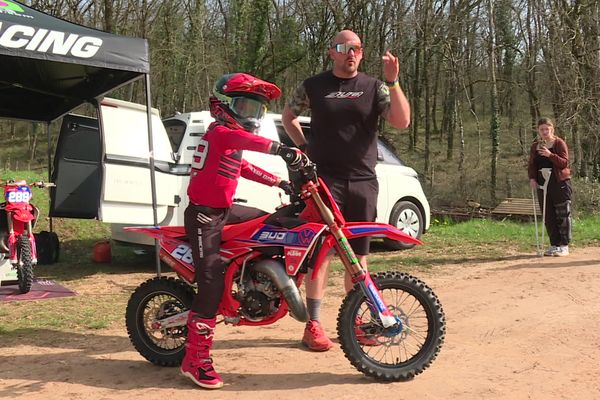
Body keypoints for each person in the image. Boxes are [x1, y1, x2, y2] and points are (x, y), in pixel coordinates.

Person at [281, 29, 411, 351]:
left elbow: (401, 121)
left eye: (355, 48)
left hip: (363, 182)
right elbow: (288, 116)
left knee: (359, 257)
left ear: (361, 53)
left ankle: (354, 321)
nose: (350, 53)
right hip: (325, 181)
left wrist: (393, 81)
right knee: (321, 254)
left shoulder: (373, 87)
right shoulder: (314, 86)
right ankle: (313, 324)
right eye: (343, 47)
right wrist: (305, 148)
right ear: (332, 52)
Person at [181, 72, 303, 389]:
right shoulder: (220, 132)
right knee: (210, 281)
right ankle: (196, 360)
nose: (251, 117)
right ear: (223, 106)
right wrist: (283, 149)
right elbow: (250, 143)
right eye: (246, 108)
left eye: (257, 111)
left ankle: (253, 283)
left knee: (270, 226)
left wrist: (280, 182)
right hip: (204, 217)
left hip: (224, 210)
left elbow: (243, 166)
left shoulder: (227, 139)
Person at [528, 117, 572, 257]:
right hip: (543, 184)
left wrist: (550, 154)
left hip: (559, 183)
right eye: (542, 129)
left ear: (552, 129)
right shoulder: (536, 146)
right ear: (538, 131)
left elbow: (564, 163)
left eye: (547, 129)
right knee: (548, 215)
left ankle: (564, 245)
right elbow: (532, 164)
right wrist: (532, 179)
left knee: (562, 214)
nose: (544, 132)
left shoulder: (559, 143)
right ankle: (554, 244)